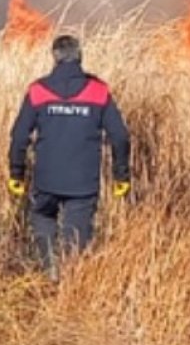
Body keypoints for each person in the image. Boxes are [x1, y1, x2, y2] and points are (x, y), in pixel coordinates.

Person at [8, 34, 131, 279]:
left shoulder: (38, 91)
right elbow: (120, 136)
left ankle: (50, 271)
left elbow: (20, 135)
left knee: (43, 217)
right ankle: (70, 284)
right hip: (82, 183)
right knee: (77, 239)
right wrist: (121, 176)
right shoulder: (98, 91)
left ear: (54, 58)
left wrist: (17, 173)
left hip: (46, 180)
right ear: (80, 56)